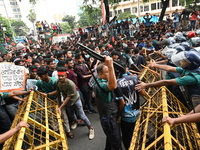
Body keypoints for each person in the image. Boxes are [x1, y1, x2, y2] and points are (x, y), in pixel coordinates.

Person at [135, 51, 200, 110]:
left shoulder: (192, 77)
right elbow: (169, 68)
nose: (181, 61)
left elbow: (167, 82)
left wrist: (146, 85)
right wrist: (155, 65)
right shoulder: (190, 69)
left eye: (184, 61)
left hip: (196, 99)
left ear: (190, 64)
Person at [55, 67, 95, 140]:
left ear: (66, 75)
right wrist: (48, 95)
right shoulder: (58, 82)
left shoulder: (70, 84)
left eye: (62, 76)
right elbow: (58, 92)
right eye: (59, 76)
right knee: (71, 115)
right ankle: (76, 121)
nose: (60, 77)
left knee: (82, 115)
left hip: (75, 100)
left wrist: (60, 107)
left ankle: (91, 129)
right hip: (68, 102)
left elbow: (68, 97)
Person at [94, 56, 122, 150]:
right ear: (100, 75)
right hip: (109, 119)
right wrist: (110, 66)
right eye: (108, 72)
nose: (111, 74)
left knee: (110, 141)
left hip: (109, 117)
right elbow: (113, 85)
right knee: (116, 144)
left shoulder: (102, 81)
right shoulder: (101, 84)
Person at [114, 69, 145, 150]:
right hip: (137, 112)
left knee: (127, 138)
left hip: (126, 116)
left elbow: (122, 103)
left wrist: (118, 115)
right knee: (138, 131)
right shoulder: (135, 78)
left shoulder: (116, 83)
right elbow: (143, 93)